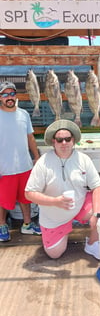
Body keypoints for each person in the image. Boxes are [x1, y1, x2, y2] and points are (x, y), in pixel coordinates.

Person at [25, 119, 100, 260]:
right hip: (54, 217)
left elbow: (97, 187)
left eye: (67, 139)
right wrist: (55, 201)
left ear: (73, 140)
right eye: (59, 140)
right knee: (54, 254)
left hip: (79, 206)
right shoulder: (43, 162)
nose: (64, 143)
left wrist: (96, 214)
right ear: (53, 141)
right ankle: (62, 230)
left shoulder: (84, 159)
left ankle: (92, 244)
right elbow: (29, 193)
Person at [0, 81, 41, 241]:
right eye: (5, 94)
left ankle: (27, 225)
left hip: (25, 165)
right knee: (3, 200)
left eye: (12, 94)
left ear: (16, 96)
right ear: (0, 97)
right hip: (4, 167)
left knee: (26, 198)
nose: (9, 97)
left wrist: (36, 156)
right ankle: (2, 225)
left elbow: (30, 137)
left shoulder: (24, 114)